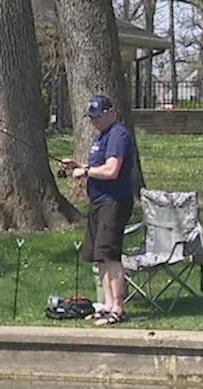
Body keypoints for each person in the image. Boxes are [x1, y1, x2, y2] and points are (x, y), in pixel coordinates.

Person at [60, 95, 138, 326]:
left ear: (110, 112)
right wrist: (78, 166)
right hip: (99, 202)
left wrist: (85, 172)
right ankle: (106, 304)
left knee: (111, 255)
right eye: (91, 118)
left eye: (98, 116)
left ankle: (118, 308)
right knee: (100, 256)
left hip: (114, 201)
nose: (94, 121)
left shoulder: (118, 135)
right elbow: (97, 167)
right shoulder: (102, 135)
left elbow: (112, 170)